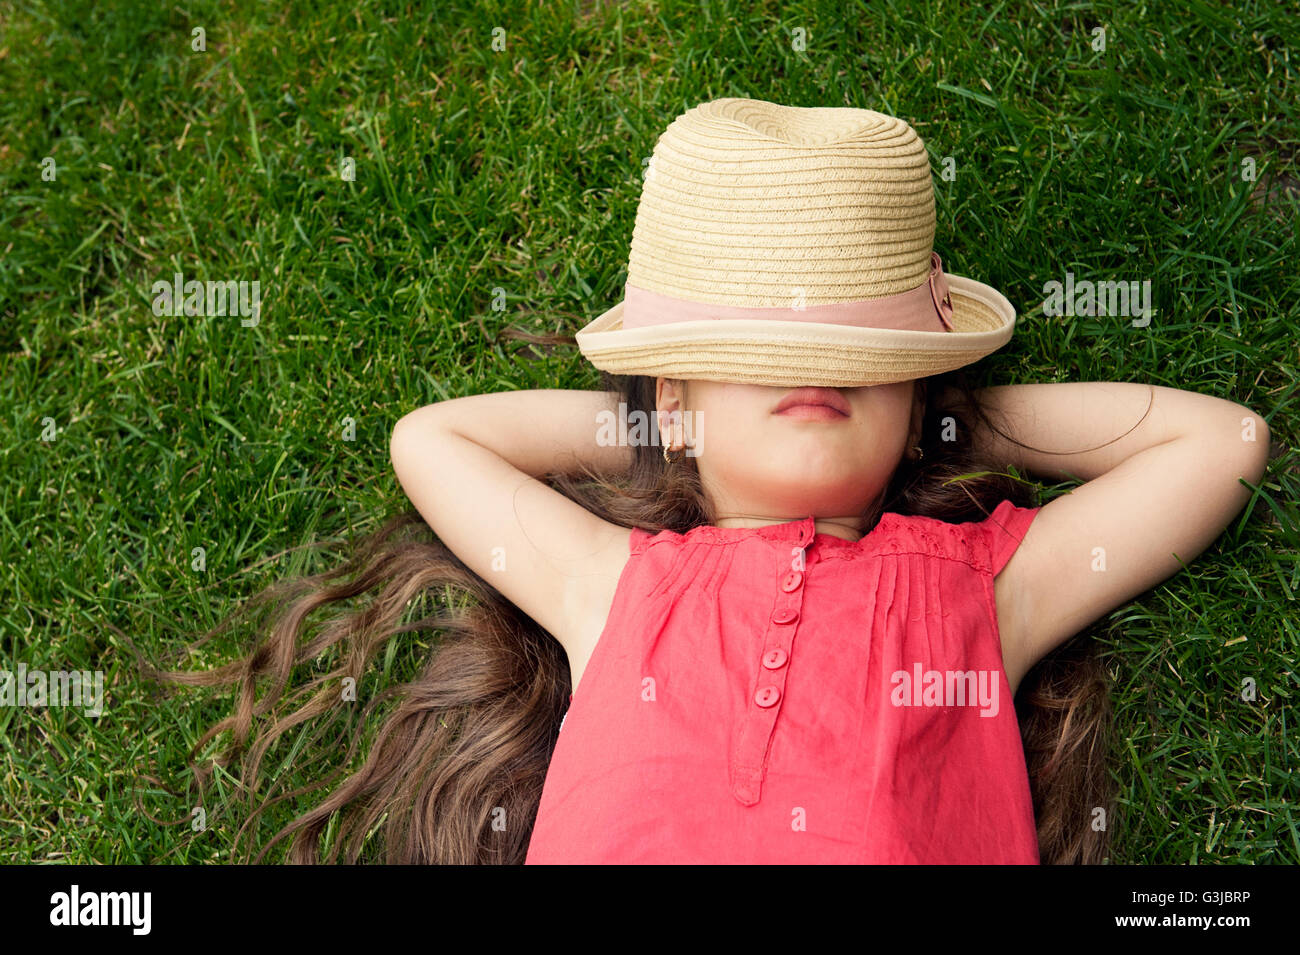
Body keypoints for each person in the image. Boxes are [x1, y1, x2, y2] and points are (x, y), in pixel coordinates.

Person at [162, 98, 1270, 864]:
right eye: (762, 358)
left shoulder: (986, 590)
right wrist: (662, 421)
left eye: (859, 368)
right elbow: (432, 440)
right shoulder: (614, 585)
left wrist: (955, 419)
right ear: (674, 394)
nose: (812, 377)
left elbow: (1219, 447)